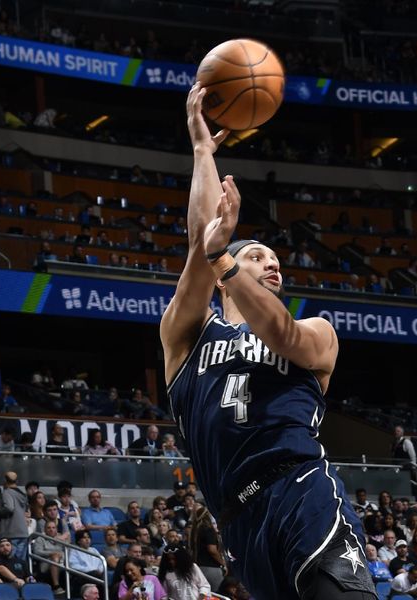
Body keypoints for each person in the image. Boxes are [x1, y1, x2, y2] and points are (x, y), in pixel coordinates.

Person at [161, 84, 376, 600]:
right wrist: (201, 151)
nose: (272, 262)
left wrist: (225, 259)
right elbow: (202, 240)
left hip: (301, 489)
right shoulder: (187, 336)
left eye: (275, 259)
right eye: (258, 254)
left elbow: (279, 332)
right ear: (223, 275)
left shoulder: (318, 332)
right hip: (237, 522)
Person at [0, 472, 29, 559]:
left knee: (11, 561)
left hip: (11, 531)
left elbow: (9, 508)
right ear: (17, 481)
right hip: (23, 531)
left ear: (5, 480)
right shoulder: (23, 494)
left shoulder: (7, 492)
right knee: (20, 561)